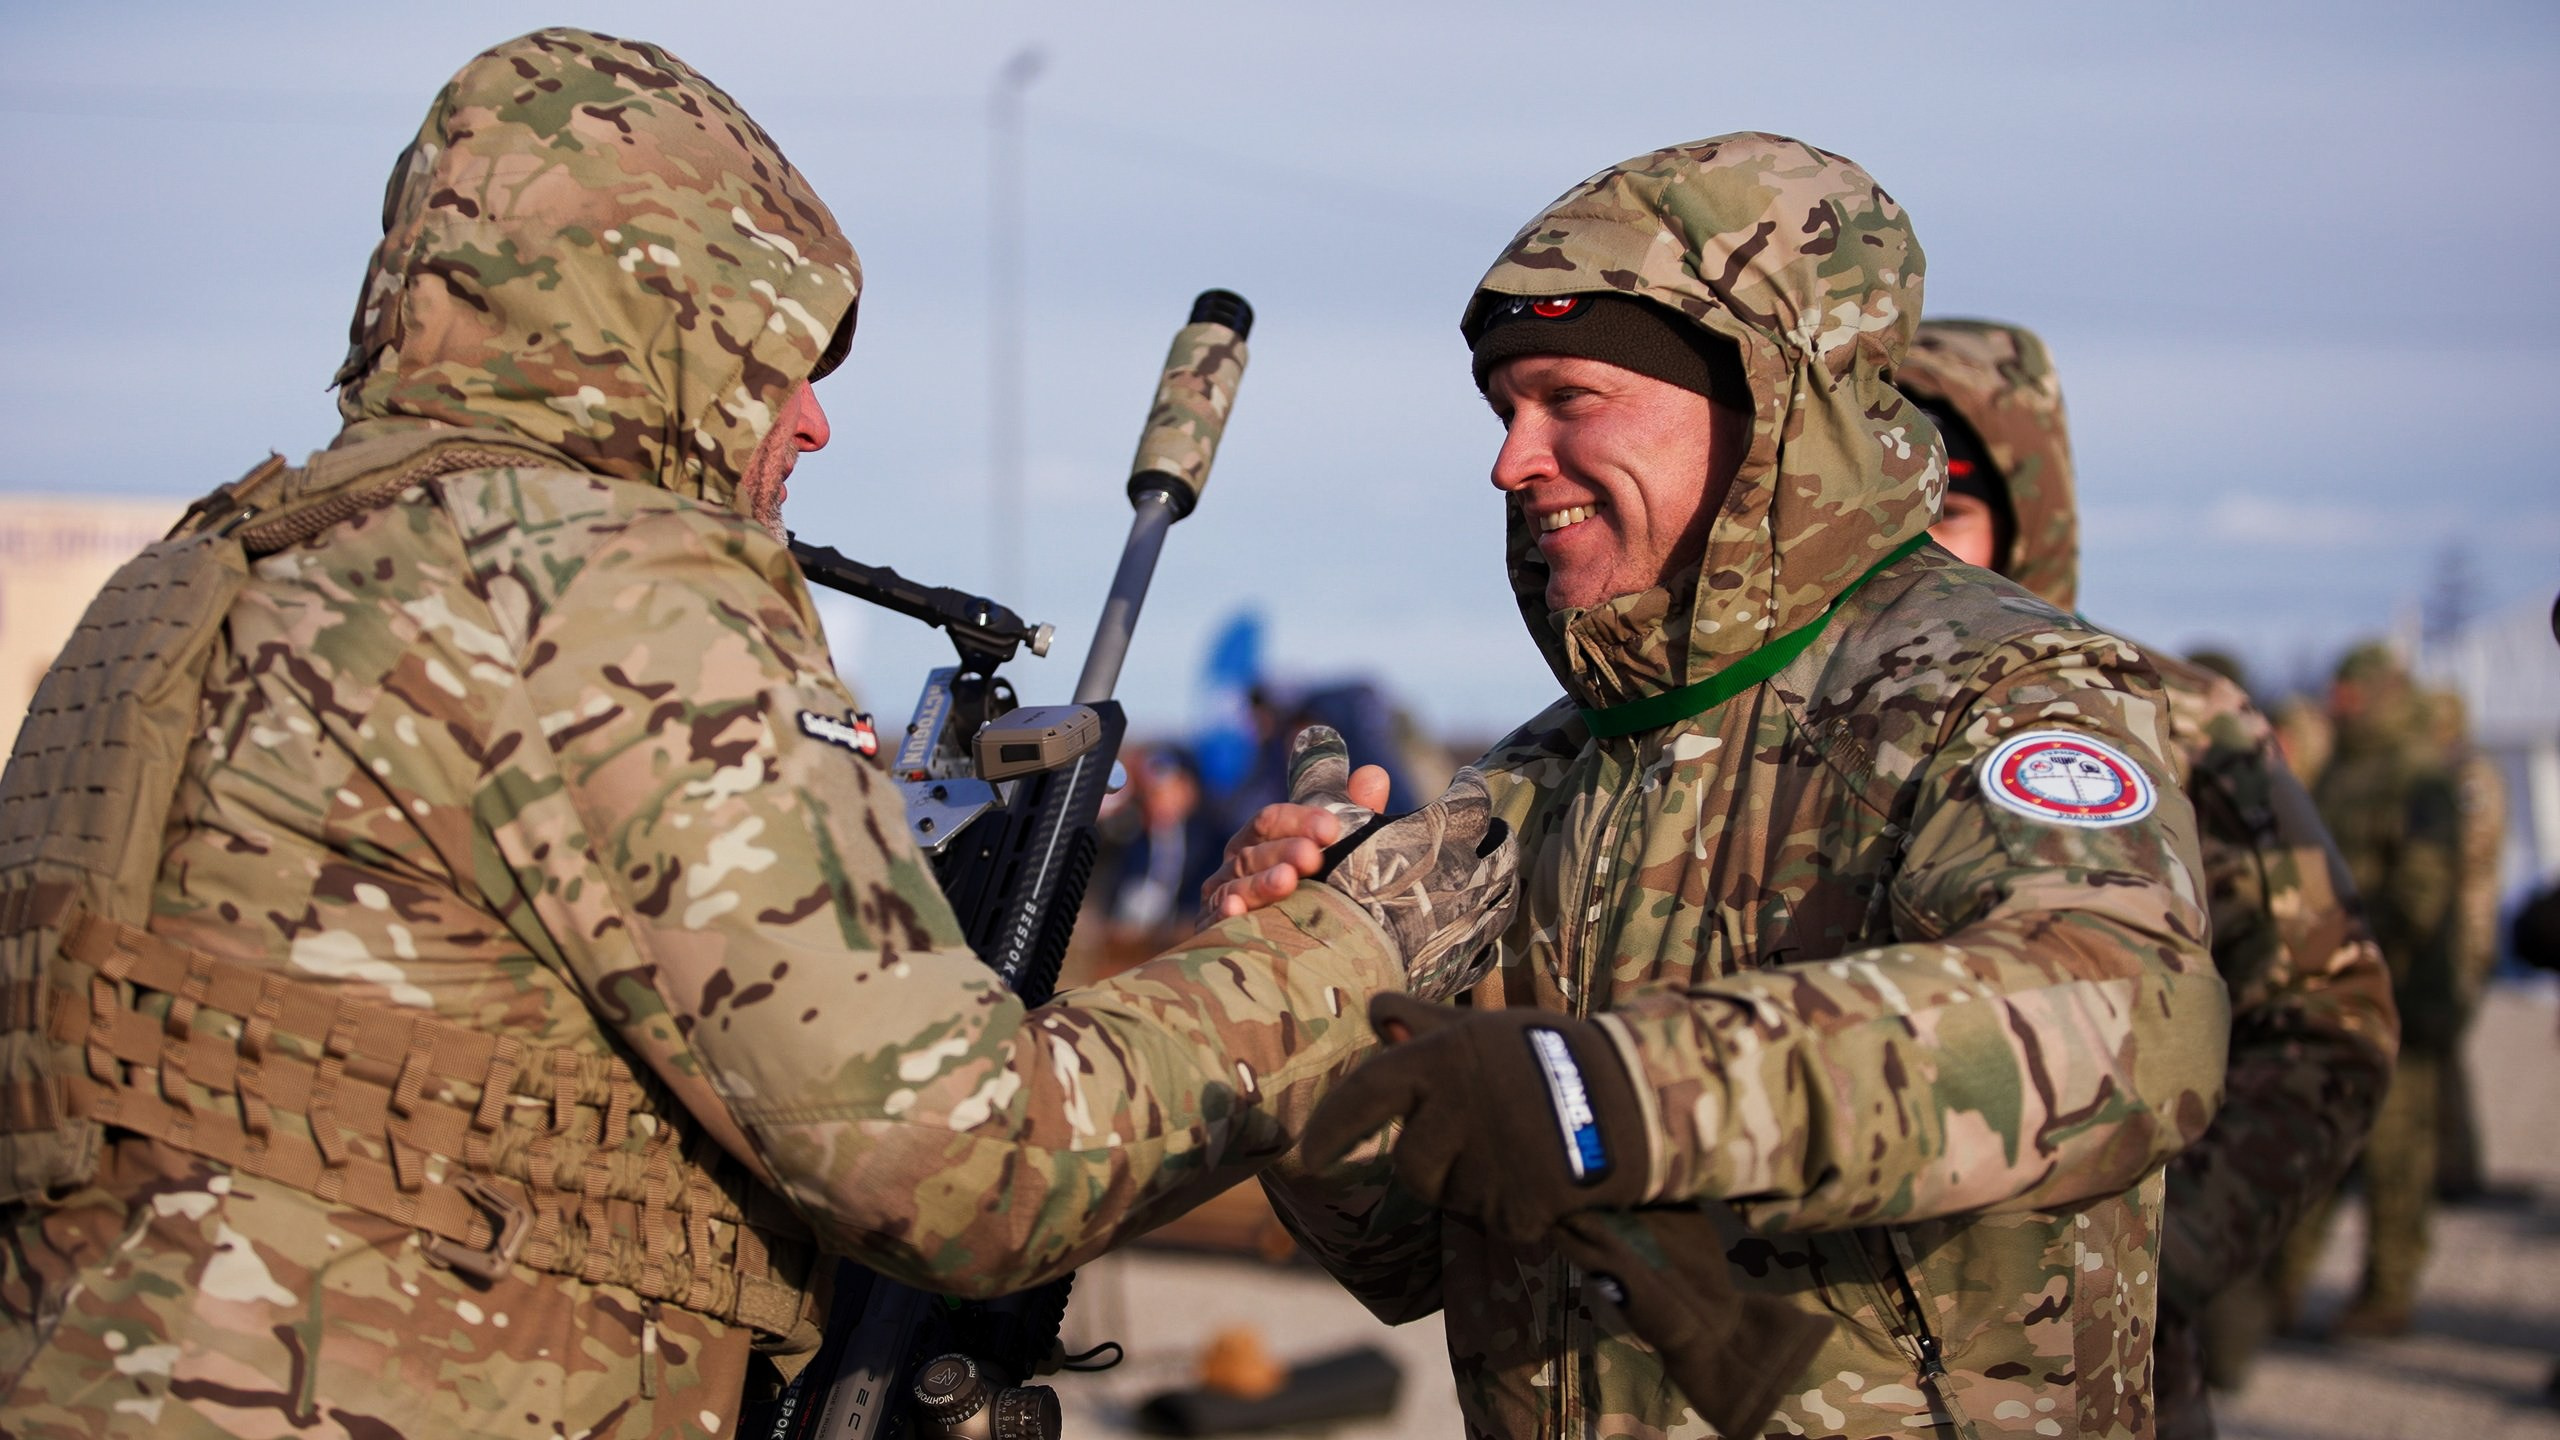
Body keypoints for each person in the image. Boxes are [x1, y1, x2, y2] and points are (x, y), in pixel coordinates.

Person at [0, 30, 1513, 1436]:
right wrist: (1346, 948)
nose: (812, 425)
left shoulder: (217, 565)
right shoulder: (592, 583)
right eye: (782, 360)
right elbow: (973, 1159)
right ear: (659, 315)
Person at [1207, 134, 2227, 1440]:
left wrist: (1618, 1097)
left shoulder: (1998, 686)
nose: (1510, 461)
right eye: (1502, 407)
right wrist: (1316, 1023)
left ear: (1770, 408)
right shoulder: (1541, 776)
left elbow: (2129, 1018)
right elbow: (1408, 1259)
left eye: (1568, 398)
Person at [1897, 318, 2397, 1437]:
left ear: (2034, 518)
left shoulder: (2172, 723)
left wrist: (2157, 1255)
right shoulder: (1774, 734)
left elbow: (2326, 1015)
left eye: (1953, 515)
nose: (1916, 551)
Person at [2274, 644, 2463, 1339]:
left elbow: (2421, 892)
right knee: (2317, 1141)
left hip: (2401, 997)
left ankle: (2387, 1295)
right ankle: (2282, 1287)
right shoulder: (2345, 770)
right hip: (2333, 989)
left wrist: (2348, 950)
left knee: (2395, 1158)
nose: (2337, 699)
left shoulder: (2418, 775)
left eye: (2348, 688)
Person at [2421, 689, 2507, 1201]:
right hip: (2447, 928)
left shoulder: (2469, 776)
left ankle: (2456, 1168)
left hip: (2463, 932)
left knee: (2443, 1048)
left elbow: (2472, 846)